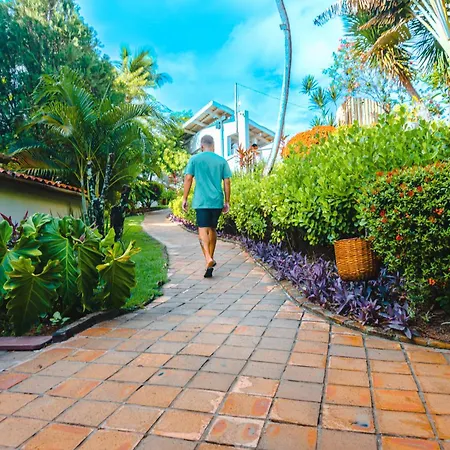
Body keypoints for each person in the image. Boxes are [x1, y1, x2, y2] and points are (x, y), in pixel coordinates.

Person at [182, 135, 232, 278]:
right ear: (213, 146)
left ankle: (208, 258)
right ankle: (210, 262)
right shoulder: (221, 161)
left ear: (201, 146)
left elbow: (188, 178)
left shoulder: (194, 159)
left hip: (201, 200)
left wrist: (184, 198)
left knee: (203, 229)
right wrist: (227, 201)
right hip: (216, 200)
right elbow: (227, 182)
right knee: (212, 229)